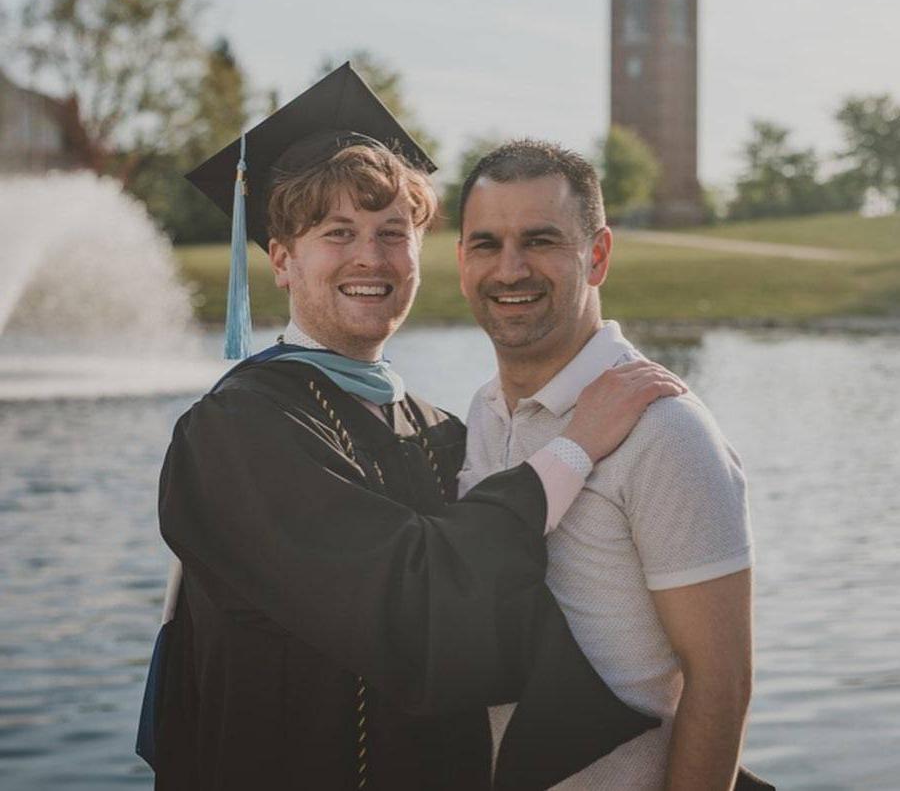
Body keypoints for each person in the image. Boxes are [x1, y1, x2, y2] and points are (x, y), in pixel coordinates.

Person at [142, 65, 686, 790]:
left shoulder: (438, 430)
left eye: (393, 234)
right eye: (338, 234)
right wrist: (577, 446)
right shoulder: (235, 432)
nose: (371, 257)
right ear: (281, 260)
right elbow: (417, 601)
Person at [456, 140, 771, 790]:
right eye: (486, 243)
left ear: (596, 256)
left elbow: (722, 682)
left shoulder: (666, 433)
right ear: (461, 258)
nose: (509, 269)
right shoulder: (482, 414)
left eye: (540, 240)